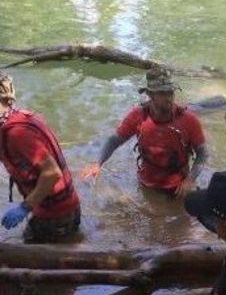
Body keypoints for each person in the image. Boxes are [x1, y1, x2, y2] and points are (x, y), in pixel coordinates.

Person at [82, 67, 208, 197]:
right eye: (163, 93)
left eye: (170, 92)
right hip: (146, 183)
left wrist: (190, 180)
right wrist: (98, 163)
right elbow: (114, 140)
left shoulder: (189, 120)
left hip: (179, 186)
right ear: (150, 94)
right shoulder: (137, 116)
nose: (169, 98)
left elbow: (203, 154)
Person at [0, 72, 81, 241]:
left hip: (57, 216)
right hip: (62, 210)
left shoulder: (18, 133)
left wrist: (24, 207)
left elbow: (52, 174)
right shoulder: (16, 119)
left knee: (28, 262)